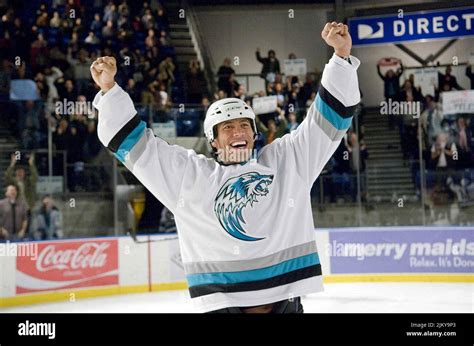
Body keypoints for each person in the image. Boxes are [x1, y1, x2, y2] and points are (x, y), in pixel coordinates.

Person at [91, 22, 359, 313]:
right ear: (213, 141)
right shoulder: (190, 177)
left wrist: (340, 58)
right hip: (222, 306)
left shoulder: (287, 161)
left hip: (286, 305)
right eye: (228, 127)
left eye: (244, 125)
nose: (238, 132)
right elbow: (134, 145)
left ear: (255, 133)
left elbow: (330, 120)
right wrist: (109, 91)